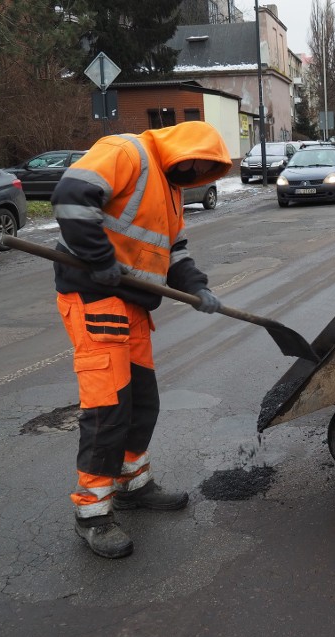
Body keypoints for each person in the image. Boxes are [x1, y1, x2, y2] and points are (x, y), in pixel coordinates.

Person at [51, 121, 232, 558]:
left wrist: (197, 286)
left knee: (142, 400)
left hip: (133, 304)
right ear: (184, 150)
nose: (197, 177)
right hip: (95, 298)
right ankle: (92, 514)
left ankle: (133, 484)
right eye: (198, 167)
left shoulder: (170, 189)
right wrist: (98, 259)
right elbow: (71, 199)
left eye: (206, 173)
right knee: (108, 407)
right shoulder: (126, 152)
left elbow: (173, 252)